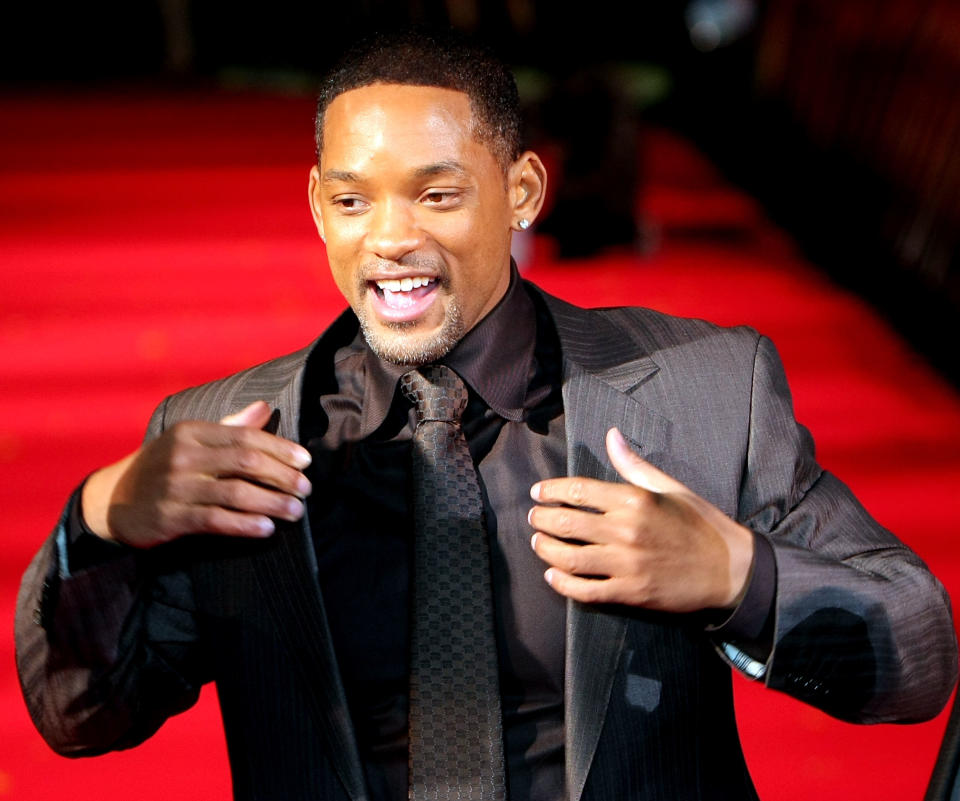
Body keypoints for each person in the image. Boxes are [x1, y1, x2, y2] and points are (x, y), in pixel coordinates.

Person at [15, 27, 957, 801]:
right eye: (352, 199)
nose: (390, 238)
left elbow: (917, 655)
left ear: (523, 193)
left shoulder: (703, 390)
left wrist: (735, 574)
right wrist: (99, 519)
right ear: (316, 206)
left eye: (437, 193)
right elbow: (82, 715)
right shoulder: (232, 436)